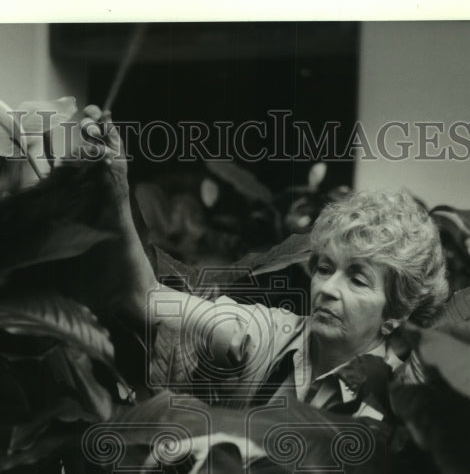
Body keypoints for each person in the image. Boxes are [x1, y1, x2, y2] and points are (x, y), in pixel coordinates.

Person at [77, 105, 450, 419]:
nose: (328, 289)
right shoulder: (269, 335)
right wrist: (117, 185)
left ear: (395, 313)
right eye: (324, 268)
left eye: (357, 279)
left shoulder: (404, 406)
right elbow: (146, 300)